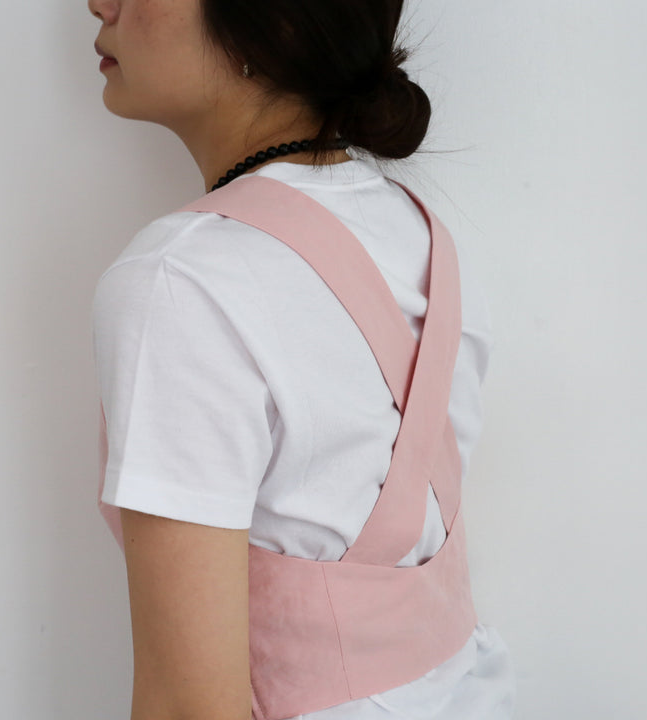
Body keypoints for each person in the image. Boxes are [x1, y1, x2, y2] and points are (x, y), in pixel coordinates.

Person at [88, 1, 517, 719]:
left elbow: (188, 706)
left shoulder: (182, 278)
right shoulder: (419, 232)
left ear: (272, 19)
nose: (100, 2)